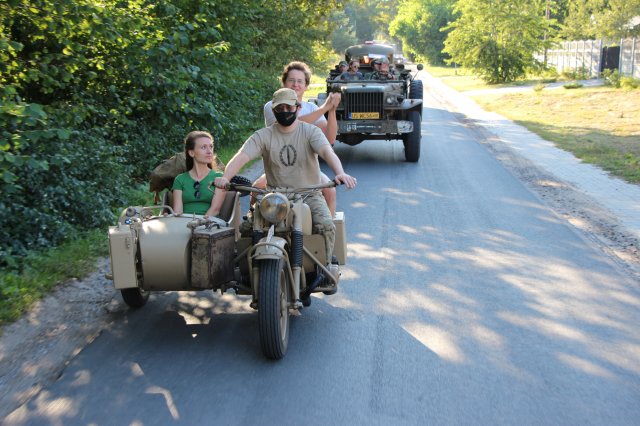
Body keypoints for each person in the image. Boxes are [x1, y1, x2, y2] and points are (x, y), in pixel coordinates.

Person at [215, 88, 357, 263]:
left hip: (309, 194)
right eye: (279, 109)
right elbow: (242, 156)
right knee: (247, 228)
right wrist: (225, 177)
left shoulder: (310, 132)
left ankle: (324, 265)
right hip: (274, 195)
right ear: (274, 111)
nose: (284, 112)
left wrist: (340, 172)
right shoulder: (263, 135)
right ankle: (247, 271)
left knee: (326, 225)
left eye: (289, 108)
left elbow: (327, 151)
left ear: (297, 108)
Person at [261, 61, 341, 216]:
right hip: (277, 171)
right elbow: (289, 123)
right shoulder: (272, 106)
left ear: (306, 86)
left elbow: (330, 138)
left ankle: (328, 233)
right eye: (291, 80)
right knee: (258, 190)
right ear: (284, 83)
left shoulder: (312, 108)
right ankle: (256, 229)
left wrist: (332, 110)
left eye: (300, 81)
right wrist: (323, 108)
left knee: (330, 191)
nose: (295, 85)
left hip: (308, 171)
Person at [172, 131, 227, 217]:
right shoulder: (180, 179)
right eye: (203, 147)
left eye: (211, 147)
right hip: (184, 223)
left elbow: (215, 210)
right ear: (191, 153)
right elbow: (177, 212)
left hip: (210, 225)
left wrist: (200, 224)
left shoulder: (219, 178)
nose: (209, 151)